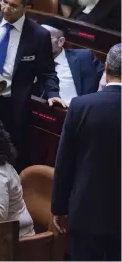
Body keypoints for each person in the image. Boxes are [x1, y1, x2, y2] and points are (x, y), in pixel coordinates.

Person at [0, 0, 65, 171]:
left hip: (10, 106)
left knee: (4, 160)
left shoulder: (38, 35)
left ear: (27, 7)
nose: (6, 8)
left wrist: (53, 93)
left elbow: (47, 71)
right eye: (4, 1)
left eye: (13, 5)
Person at [51, 43, 121, 261]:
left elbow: (65, 162)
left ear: (106, 67)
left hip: (86, 209)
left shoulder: (81, 106)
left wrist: (59, 208)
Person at [38, 17, 105, 105]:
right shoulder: (30, 59)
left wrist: (104, 81)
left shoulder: (84, 57)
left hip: (78, 114)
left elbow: (112, 76)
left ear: (60, 42)